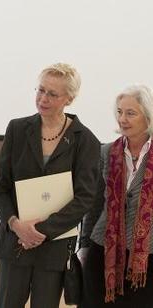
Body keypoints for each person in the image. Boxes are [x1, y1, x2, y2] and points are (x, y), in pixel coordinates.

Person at [0, 63, 100, 308]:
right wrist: (16, 225)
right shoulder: (17, 129)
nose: (43, 98)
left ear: (69, 99)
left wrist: (41, 232)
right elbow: (1, 188)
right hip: (15, 242)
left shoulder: (86, 141)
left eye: (53, 94)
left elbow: (85, 198)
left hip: (54, 249)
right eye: (40, 90)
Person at [80, 85, 153, 307]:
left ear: (148, 117)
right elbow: (94, 204)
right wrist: (84, 244)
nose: (122, 119)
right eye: (119, 112)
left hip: (147, 256)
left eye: (131, 113)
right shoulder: (106, 152)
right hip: (102, 249)